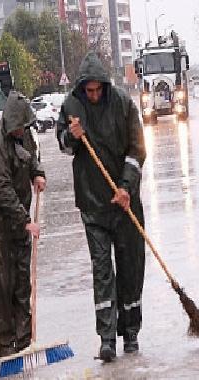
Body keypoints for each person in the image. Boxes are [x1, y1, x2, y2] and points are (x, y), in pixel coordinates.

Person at [57, 52, 146, 362]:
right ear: (82, 89)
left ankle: (130, 332)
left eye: (98, 90)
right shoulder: (71, 106)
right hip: (93, 204)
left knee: (130, 266)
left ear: (105, 88)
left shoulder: (123, 104)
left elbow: (137, 149)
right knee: (102, 270)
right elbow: (62, 144)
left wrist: (125, 187)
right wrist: (72, 136)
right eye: (88, 91)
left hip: (124, 203)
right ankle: (106, 338)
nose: (93, 95)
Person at [0, 91, 46, 358]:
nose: (22, 131)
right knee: (2, 286)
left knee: (22, 282)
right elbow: (1, 189)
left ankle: (25, 341)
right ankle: (5, 346)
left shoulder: (23, 133)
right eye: (19, 127)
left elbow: (32, 155)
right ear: (9, 123)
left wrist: (37, 173)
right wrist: (26, 222)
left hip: (18, 223)